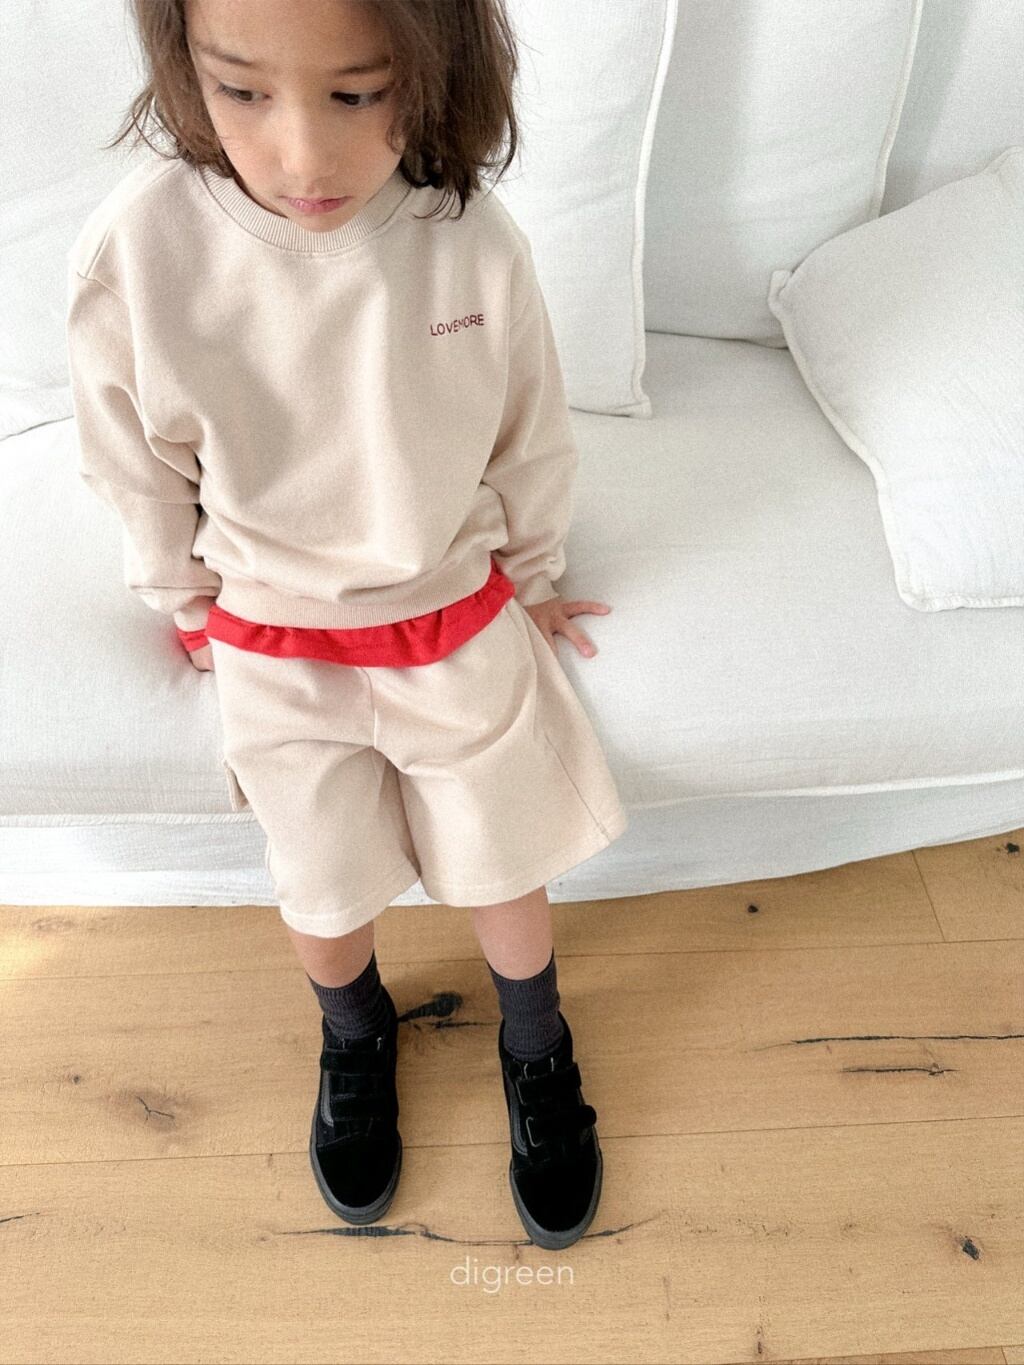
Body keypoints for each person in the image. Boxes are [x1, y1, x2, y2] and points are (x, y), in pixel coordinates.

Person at [65, 0, 629, 1250]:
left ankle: (535, 1042)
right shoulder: (144, 249)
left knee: (504, 851)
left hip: (451, 608)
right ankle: (354, 1035)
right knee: (318, 877)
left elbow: (528, 431)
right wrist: (186, 605)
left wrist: (534, 574)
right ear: (184, 65)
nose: (303, 156)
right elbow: (133, 462)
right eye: (243, 92)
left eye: (358, 94)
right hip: (272, 632)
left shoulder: (466, 239)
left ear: (433, 70)